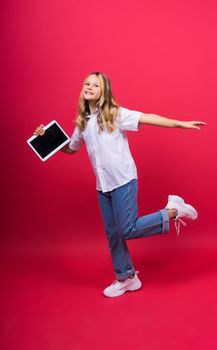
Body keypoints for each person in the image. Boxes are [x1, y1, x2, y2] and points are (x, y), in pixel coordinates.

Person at [34, 72, 206, 298]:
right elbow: (71, 148)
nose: (89, 87)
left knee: (128, 229)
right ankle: (127, 278)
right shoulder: (83, 122)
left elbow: (147, 117)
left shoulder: (115, 114)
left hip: (123, 180)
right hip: (102, 185)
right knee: (114, 234)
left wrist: (180, 124)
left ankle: (173, 210)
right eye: (87, 83)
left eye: (95, 85)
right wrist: (45, 137)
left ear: (103, 91)